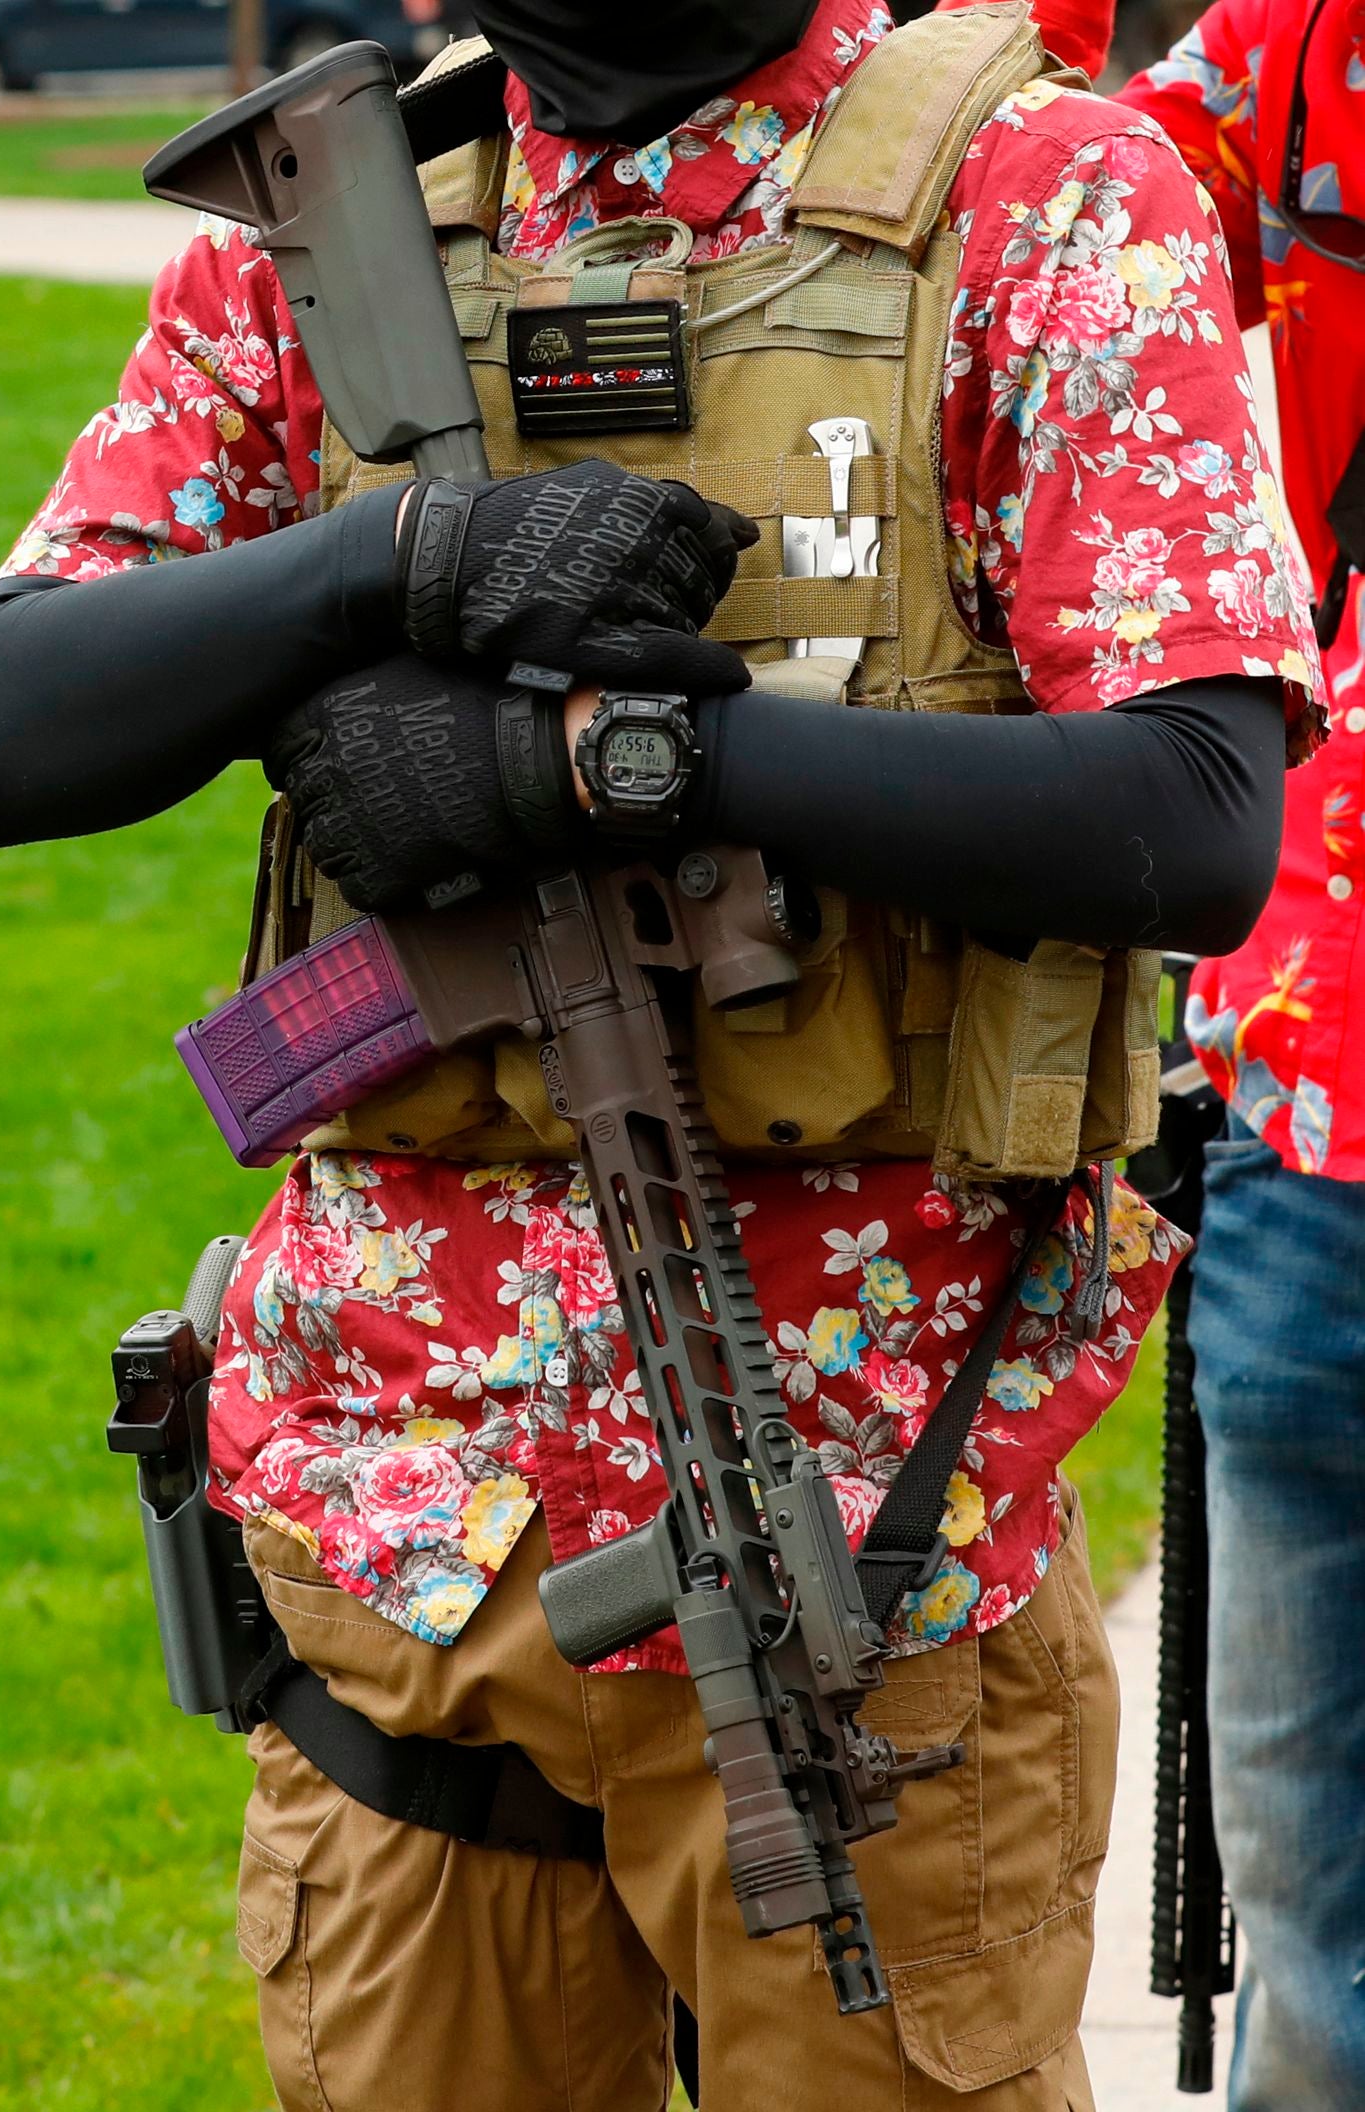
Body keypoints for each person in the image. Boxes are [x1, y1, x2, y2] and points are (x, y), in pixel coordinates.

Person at [0, 0, 1318, 2103]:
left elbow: (1195, 811)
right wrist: (382, 564)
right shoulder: (330, 232)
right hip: (407, 1556)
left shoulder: (1042, 195)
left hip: (865, 1571)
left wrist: (633, 766)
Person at [1118, 11, 1365, 2106]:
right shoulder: (1283, 61)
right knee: (1314, 1963)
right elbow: (1015, 212)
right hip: (1309, 1125)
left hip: (1306, 1108)